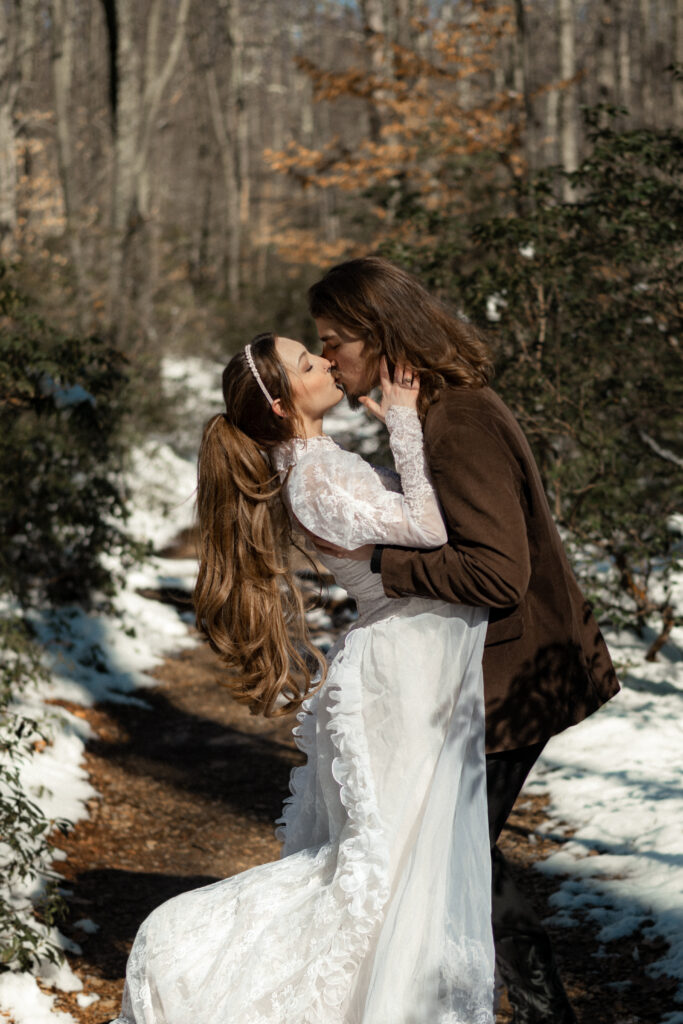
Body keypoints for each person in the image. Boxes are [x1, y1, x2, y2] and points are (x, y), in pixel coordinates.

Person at [113, 331, 496, 1024]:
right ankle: (188, 964)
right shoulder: (314, 477)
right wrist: (406, 422)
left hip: (412, 660)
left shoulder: (321, 462)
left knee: (397, 867)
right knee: (379, 872)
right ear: (285, 402)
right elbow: (431, 527)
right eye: (307, 362)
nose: (325, 364)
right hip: (396, 675)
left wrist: (399, 435)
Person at [308, 255, 621, 1024]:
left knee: (453, 855)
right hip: (500, 668)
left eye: (334, 343)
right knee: (459, 852)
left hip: (516, 671)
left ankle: (533, 1008)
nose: (330, 363)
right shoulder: (440, 411)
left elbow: (494, 572)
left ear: (377, 336)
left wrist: (378, 562)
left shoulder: (460, 421)